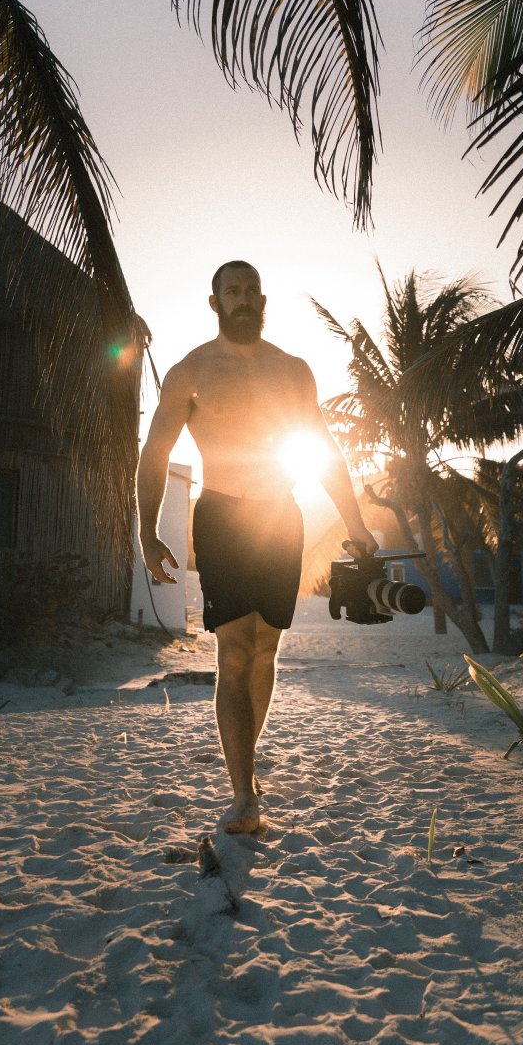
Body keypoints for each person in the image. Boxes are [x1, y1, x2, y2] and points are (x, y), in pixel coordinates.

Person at [136, 261, 378, 835]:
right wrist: (148, 531)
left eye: (251, 291)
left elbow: (323, 449)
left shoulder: (293, 371)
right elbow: (155, 452)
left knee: (266, 650)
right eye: (233, 292)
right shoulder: (190, 371)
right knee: (235, 652)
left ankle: (246, 765)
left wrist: (355, 521)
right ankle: (244, 792)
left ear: (263, 299)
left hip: (279, 517)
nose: (243, 300)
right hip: (222, 517)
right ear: (215, 302)